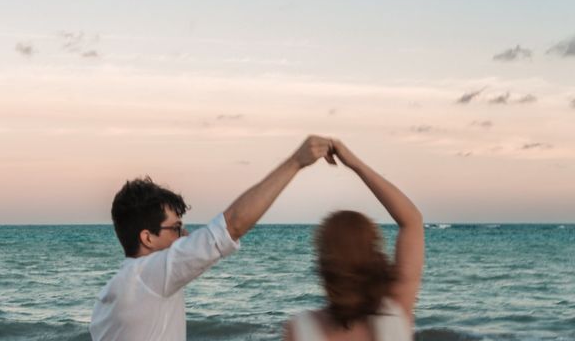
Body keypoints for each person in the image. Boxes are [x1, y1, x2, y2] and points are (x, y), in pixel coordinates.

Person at [90, 135, 337, 341]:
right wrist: (296, 162)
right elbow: (232, 225)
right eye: (175, 228)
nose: (184, 236)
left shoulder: (109, 297)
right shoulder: (150, 275)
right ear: (147, 238)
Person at [283, 139, 424, 341]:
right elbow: (412, 221)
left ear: (324, 263)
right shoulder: (394, 314)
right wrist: (355, 164)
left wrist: (296, 162)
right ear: (374, 256)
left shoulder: (301, 330)